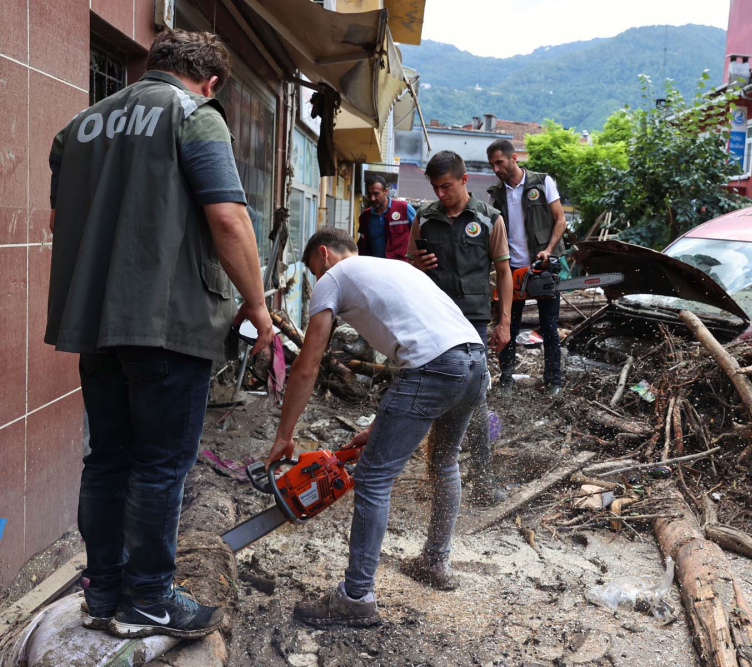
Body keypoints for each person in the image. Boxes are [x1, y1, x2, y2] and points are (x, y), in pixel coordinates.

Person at [45, 29, 272, 639]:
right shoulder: (195, 116)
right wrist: (256, 303)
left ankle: (104, 591)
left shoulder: (78, 127)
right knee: (160, 466)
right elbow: (226, 217)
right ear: (211, 81)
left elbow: (61, 221)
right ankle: (147, 599)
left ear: (153, 64)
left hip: (93, 321)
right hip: (168, 323)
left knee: (107, 459)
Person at [265, 227, 488, 626]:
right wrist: (384, 428)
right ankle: (436, 562)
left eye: (314, 270)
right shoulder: (392, 268)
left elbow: (308, 364)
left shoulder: (334, 277)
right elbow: (434, 349)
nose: (317, 280)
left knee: (372, 479)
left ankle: (356, 597)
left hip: (433, 367)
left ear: (325, 255)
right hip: (473, 361)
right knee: (445, 463)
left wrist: (284, 435)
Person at [407, 151, 513, 504]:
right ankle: (435, 475)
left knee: (476, 396)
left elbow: (504, 273)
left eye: (447, 186)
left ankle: (482, 481)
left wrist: (505, 322)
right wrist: (417, 263)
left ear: (465, 181)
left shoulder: (488, 219)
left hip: (473, 320)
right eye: (435, 187)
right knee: (427, 390)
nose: (441, 193)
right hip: (432, 318)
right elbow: (409, 268)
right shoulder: (423, 219)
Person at [486, 139, 568, 396]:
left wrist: (549, 250)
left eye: (499, 162)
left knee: (549, 326)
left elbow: (560, 220)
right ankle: (506, 379)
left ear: (514, 159)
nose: (496, 169)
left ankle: (553, 381)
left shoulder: (543, 182)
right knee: (507, 325)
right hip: (511, 269)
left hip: (542, 265)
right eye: (492, 165)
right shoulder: (496, 193)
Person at [356, 174, 416, 260]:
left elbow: (420, 233)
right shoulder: (365, 216)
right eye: (369, 194)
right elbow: (362, 242)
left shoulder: (404, 208)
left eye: (376, 194)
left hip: (401, 266)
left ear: (386, 191)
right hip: (376, 266)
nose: (372, 198)